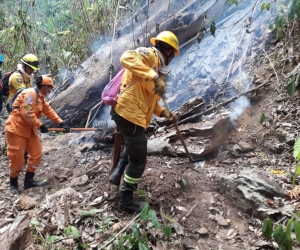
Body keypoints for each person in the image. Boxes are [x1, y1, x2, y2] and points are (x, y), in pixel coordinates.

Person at [109, 31, 180, 213]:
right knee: (139, 159)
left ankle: (117, 174)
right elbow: (126, 57)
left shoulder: (156, 69)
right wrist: (155, 76)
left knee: (134, 146)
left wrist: (166, 113)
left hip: (134, 116)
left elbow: (153, 103)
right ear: (170, 51)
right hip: (129, 113)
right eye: (174, 54)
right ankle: (125, 200)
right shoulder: (149, 55)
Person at [5, 75, 71, 194]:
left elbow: (48, 110)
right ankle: (13, 183)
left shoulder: (40, 98)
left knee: (36, 153)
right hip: (16, 128)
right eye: (50, 88)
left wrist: (61, 122)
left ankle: (28, 181)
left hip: (29, 128)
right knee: (17, 159)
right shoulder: (30, 94)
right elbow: (27, 113)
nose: (50, 91)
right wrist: (40, 125)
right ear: (45, 86)